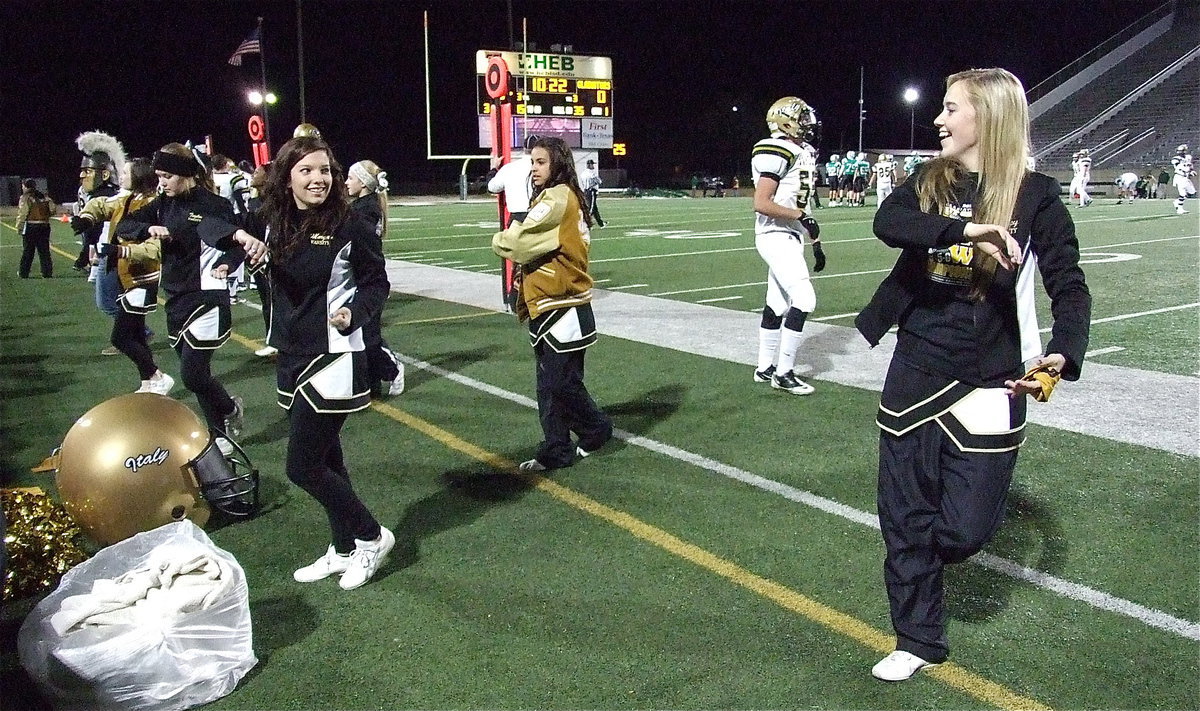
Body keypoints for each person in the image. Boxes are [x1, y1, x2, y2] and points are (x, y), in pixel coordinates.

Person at [855, 68, 1091, 682]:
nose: (939, 119)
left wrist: (1064, 350)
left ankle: (924, 568)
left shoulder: (1035, 195)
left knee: (961, 531)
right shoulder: (927, 183)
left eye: (952, 108)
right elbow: (889, 224)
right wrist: (965, 231)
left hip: (992, 381)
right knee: (903, 518)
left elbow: (1068, 282)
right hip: (916, 369)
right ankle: (917, 638)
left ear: (987, 117)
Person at [255, 135, 395, 590]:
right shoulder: (275, 220)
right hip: (292, 351)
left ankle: (372, 536)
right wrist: (243, 247)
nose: (318, 179)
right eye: (307, 171)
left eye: (325, 170)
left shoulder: (350, 223)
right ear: (288, 177)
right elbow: (223, 226)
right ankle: (343, 548)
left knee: (302, 465)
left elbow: (377, 282)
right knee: (329, 460)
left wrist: (354, 311)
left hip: (335, 355)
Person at [114, 143, 267, 453]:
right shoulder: (161, 204)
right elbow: (124, 226)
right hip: (176, 297)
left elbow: (235, 240)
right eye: (159, 175)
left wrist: (229, 262)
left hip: (209, 294)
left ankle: (224, 421)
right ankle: (224, 420)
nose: (162, 182)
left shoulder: (215, 205)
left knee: (193, 374)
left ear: (186, 174)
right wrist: (148, 228)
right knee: (198, 376)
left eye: (167, 176)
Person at [491, 136, 613, 472]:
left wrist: (500, 238)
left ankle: (595, 428)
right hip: (550, 300)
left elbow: (517, 242)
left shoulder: (557, 197)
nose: (533, 168)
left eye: (540, 162)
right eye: (531, 162)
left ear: (557, 163)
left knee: (559, 383)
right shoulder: (556, 195)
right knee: (550, 385)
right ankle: (557, 449)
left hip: (563, 303)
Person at [750, 96, 825, 395]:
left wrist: (814, 240)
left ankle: (765, 367)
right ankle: (785, 373)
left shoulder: (800, 150)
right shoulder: (776, 148)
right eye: (802, 118)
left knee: (777, 304)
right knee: (805, 300)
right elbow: (761, 202)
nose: (808, 123)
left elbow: (796, 199)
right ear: (786, 121)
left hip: (788, 235)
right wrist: (801, 216)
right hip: (774, 234)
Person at [81, 158, 174, 394]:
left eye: (125, 172)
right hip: (126, 277)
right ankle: (148, 382)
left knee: (120, 338)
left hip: (142, 279)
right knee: (136, 335)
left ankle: (156, 375)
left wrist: (122, 250)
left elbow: (155, 249)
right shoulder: (128, 198)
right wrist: (86, 217)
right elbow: (102, 204)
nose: (120, 176)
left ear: (139, 176)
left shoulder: (153, 205)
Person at [347, 159, 405, 396]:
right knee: (359, 335)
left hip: (367, 279)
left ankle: (393, 369)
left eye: (350, 177)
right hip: (362, 277)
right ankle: (370, 385)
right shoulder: (362, 206)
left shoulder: (365, 209)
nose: (346, 182)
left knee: (368, 337)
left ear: (362, 182)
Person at [487, 136, 537, 309]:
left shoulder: (509, 168)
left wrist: (494, 168)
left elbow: (492, 187)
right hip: (536, 217)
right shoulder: (540, 168)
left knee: (518, 261)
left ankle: (514, 299)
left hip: (515, 218)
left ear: (523, 148)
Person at [15, 179, 56, 278]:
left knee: (28, 251)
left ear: (25, 186)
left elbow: (23, 213)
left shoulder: (26, 198)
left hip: (31, 226)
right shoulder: (44, 197)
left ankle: (23, 273)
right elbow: (52, 210)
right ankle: (47, 273)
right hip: (44, 226)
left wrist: (19, 226)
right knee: (44, 250)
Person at [580, 158, 606, 227]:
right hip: (591, 191)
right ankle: (585, 223)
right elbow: (599, 181)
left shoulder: (583, 173)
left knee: (594, 208)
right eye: (592, 164)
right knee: (590, 208)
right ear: (590, 165)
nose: (593, 166)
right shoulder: (592, 173)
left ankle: (601, 223)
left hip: (585, 191)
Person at [1171, 143, 1195, 215]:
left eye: (1181, 151)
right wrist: (1187, 170)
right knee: (1183, 194)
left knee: (1192, 192)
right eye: (1179, 151)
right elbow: (1178, 166)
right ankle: (1180, 209)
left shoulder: (1188, 157)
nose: (1179, 152)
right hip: (1179, 177)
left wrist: (1191, 171)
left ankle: (1177, 202)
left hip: (1186, 178)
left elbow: (1190, 165)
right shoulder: (1176, 159)